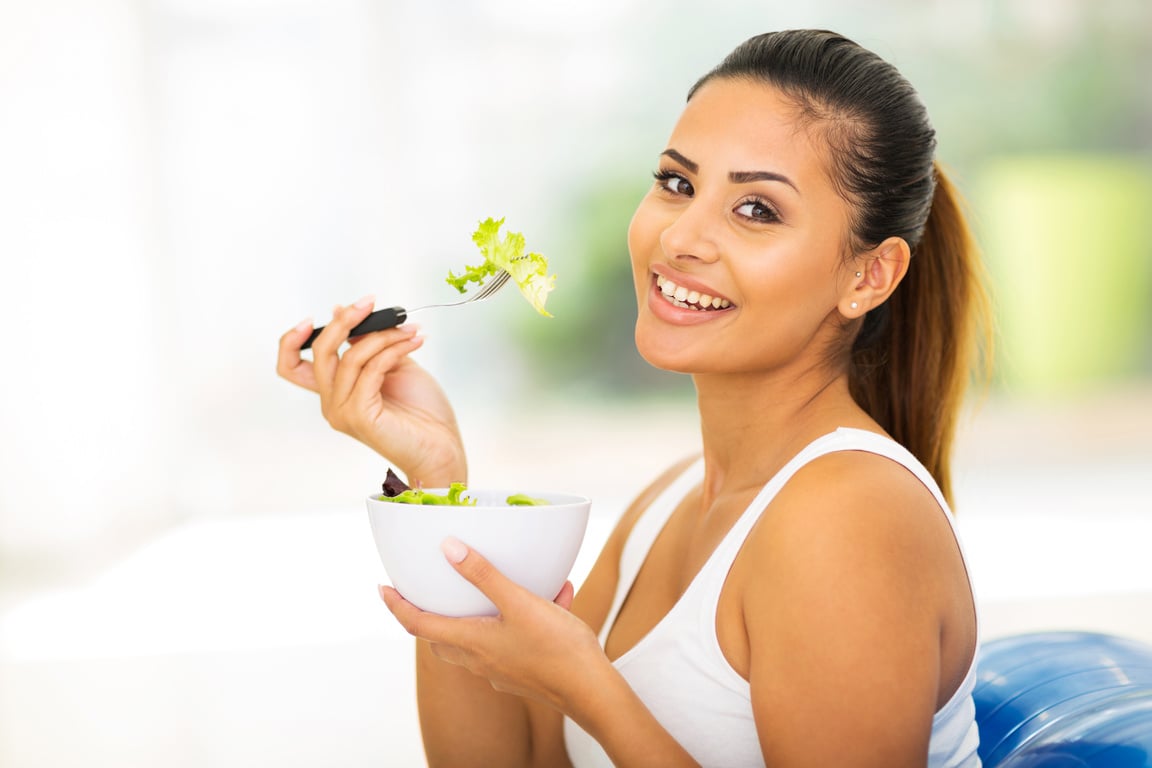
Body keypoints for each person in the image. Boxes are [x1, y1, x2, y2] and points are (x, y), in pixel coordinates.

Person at [277, 29, 991, 768]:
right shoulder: (672, 501)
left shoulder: (849, 517)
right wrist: (438, 481)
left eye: (756, 211)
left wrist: (588, 688)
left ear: (869, 277)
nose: (680, 236)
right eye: (677, 184)